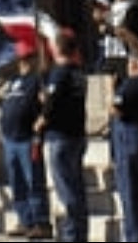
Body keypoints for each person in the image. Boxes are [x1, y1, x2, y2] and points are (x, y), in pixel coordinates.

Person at [0, 40, 52, 240]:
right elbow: (6, 104)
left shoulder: (37, 80)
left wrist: (42, 117)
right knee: (17, 182)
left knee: (34, 180)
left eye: (28, 58)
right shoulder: (14, 81)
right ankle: (25, 219)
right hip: (10, 138)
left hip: (28, 138)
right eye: (22, 58)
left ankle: (41, 221)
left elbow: (46, 102)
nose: (25, 62)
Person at [36, 30, 88, 242]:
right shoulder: (78, 73)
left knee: (66, 190)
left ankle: (71, 234)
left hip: (60, 137)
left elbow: (53, 100)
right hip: (76, 134)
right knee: (76, 187)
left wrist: (42, 118)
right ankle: (79, 233)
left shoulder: (61, 72)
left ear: (57, 48)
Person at [109, 50, 138, 243]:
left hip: (130, 143)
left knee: (132, 200)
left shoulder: (136, 82)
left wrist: (112, 90)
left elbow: (116, 108)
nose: (130, 65)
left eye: (133, 61)